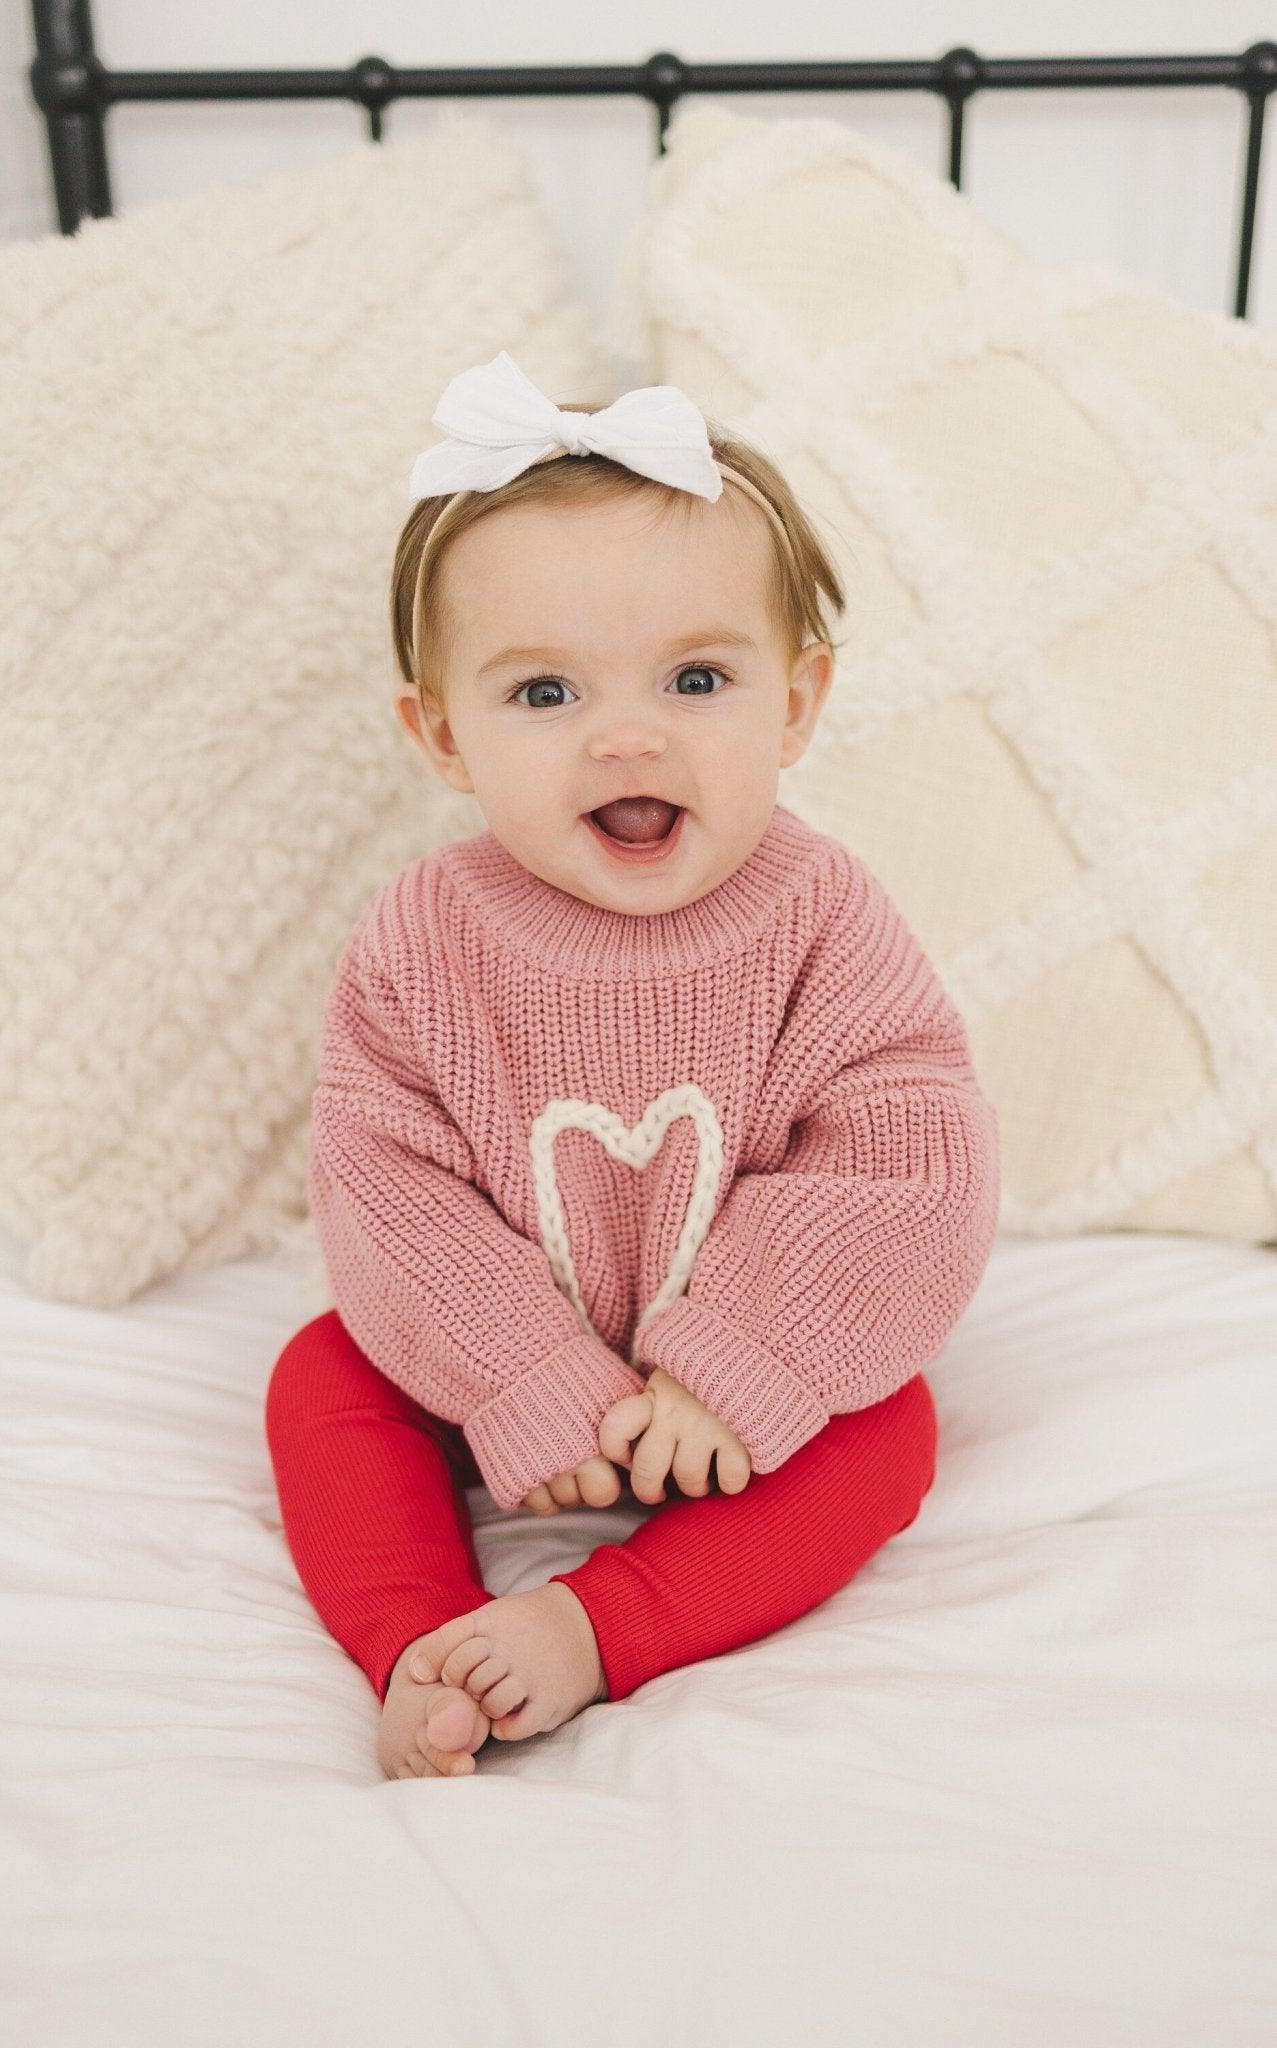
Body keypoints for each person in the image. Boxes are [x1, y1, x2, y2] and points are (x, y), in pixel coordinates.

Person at [264, 350, 1001, 1781]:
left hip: (736, 1408)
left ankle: (597, 1630)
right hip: (484, 1379)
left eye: (697, 678)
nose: (625, 733)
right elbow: (382, 1183)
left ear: (794, 706)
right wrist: (519, 1374)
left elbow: (905, 1149)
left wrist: (742, 1367)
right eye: (542, 693)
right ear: (441, 736)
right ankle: (421, 1645)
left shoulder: (818, 913)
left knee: (892, 1431)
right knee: (320, 1378)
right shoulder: (425, 935)